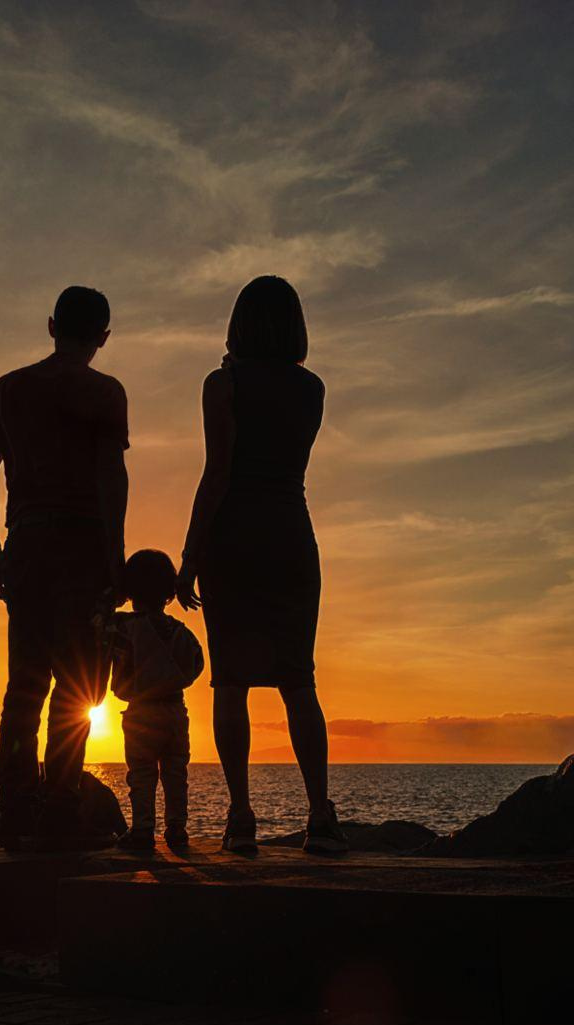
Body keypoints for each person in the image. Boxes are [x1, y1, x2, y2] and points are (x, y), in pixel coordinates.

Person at [177, 275, 347, 857]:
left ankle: (241, 816)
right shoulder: (312, 388)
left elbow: (218, 471)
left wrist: (189, 554)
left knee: (231, 683)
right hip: (291, 537)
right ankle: (320, 815)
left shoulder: (221, 384)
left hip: (234, 541)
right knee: (299, 681)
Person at [0, 286, 129, 851]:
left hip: (28, 544)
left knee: (25, 684)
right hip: (84, 547)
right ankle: (60, 808)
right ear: (103, 337)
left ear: (51, 325)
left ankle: (15, 806)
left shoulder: (7, 390)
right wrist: (117, 557)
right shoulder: (105, 392)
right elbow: (113, 478)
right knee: (77, 687)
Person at [111, 549, 204, 853]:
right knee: (176, 772)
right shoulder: (181, 631)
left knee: (142, 773)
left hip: (141, 712)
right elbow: (197, 663)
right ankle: (177, 829)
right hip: (176, 709)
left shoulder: (124, 627)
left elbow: (99, 635)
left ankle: (143, 829)